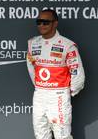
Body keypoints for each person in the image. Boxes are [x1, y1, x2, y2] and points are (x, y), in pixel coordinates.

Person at [26, 9, 85, 139]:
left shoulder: (67, 45)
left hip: (59, 95)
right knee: (40, 135)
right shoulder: (32, 43)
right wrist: (40, 87)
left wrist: (65, 93)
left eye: (45, 22)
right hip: (40, 94)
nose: (41, 25)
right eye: (39, 22)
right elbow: (31, 68)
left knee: (62, 136)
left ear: (55, 23)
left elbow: (77, 74)